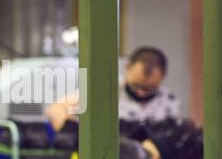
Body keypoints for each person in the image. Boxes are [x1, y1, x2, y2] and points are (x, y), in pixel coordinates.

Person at [45, 45, 184, 132]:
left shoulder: (170, 103)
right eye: (136, 86)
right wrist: (69, 129)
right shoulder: (105, 92)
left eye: (148, 89)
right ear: (127, 68)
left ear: (163, 76)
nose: (141, 93)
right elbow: (55, 109)